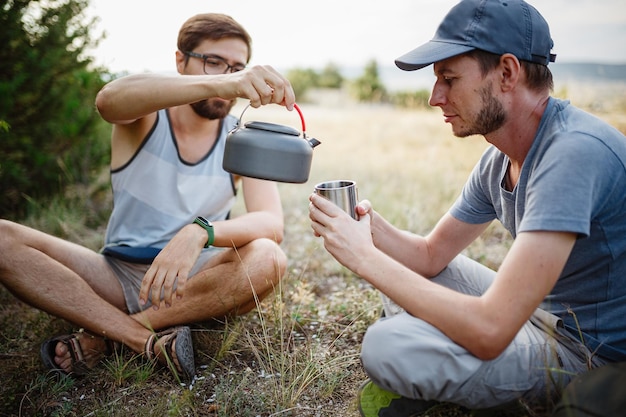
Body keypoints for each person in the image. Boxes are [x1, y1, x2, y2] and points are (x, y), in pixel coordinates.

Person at [308, 0, 626, 415]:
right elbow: (429, 256)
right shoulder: (500, 157)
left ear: (508, 73)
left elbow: (492, 329)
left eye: (449, 78)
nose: (434, 97)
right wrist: (369, 229)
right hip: (534, 314)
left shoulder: (574, 153)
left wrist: (363, 257)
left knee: (387, 345)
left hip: (587, 353)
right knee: (408, 279)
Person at [0, 13, 294, 382]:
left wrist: (199, 231)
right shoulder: (145, 117)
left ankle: (106, 338)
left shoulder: (242, 137)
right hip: (115, 276)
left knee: (269, 257)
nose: (227, 76)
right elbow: (109, 101)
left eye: (237, 66)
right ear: (180, 61)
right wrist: (225, 81)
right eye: (213, 62)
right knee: (2, 239)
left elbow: (270, 222)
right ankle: (141, 339)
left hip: (193, 283)